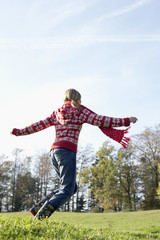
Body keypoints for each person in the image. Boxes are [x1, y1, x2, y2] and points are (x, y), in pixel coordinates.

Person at [11, 88, 138, 220]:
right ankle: (40, 218)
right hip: (67, 152)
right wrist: (127, 120)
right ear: (78, 99)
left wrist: (20, 132)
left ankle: (38, 208)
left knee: (71, 187)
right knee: (67, 189)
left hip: (54, 152)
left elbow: (38, 125)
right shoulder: (80, 112)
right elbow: (103, 120)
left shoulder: (57, 113)